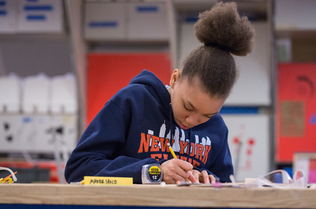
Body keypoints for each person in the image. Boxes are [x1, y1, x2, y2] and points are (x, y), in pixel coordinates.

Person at [65, 2, 254, 184]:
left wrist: (207, 179)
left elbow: (224, 185)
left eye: (207, 115)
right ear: (175, 79)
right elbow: (79, 168)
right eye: (188, 106)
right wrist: (154, 172)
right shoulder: (133, 102)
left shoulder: (217, 128)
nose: (192, 121)